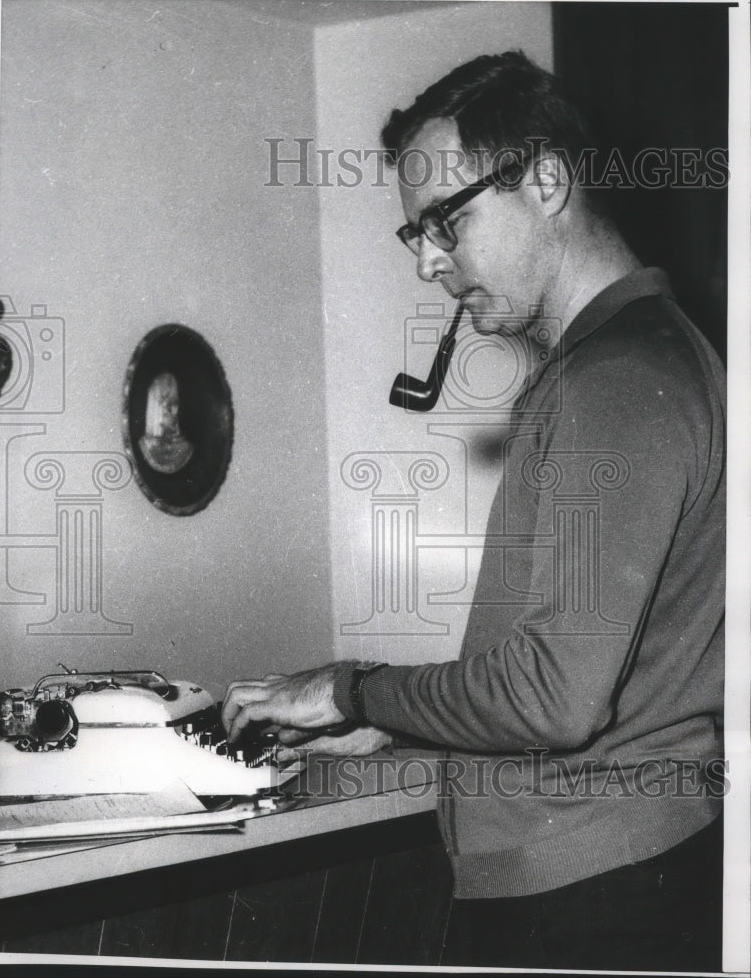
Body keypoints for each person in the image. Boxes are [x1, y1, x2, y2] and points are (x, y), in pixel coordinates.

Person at [222, 52, 725, 971]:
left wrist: (347, 686)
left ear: (544, 181)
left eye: (445, 222)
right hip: (616, 870)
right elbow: (590, 676)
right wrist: (394, 720)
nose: (429, 265)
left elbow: (552, 698)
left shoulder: (617, 381)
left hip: (592, 897)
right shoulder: (637, 361)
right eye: (414, 236)